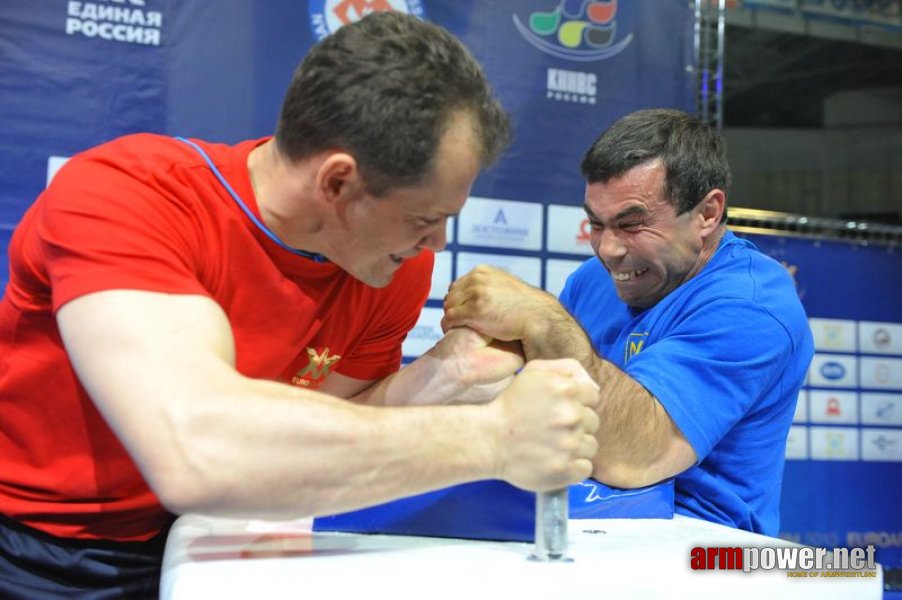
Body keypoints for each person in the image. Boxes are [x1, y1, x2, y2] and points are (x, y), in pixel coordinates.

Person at [0, 12, 601, 598]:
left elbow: (328, 418)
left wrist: (439, 376)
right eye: (425, 218)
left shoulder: (394, 264)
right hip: (39, 551)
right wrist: (494, 439)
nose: (437, 244)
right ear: (337, 182)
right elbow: (198, 454)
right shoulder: (126, 197)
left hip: (226, 537)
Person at [444, 108, 814, 537]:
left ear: (707, 213)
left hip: (696, 546)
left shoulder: (752, 305)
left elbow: (640, 456)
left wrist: (546, 323)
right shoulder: (594, 280)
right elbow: (534, 403)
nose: (609, 250)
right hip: (581, 514)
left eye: (632, 223)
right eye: (596, 224)